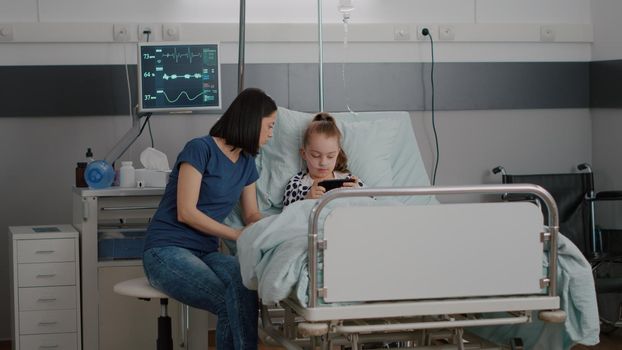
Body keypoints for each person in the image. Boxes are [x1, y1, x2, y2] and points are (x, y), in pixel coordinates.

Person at [142, 88, 277, 350]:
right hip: (166, 249)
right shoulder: (200, 149)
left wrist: (276, 226)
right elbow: (186, 211)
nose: (272, 134)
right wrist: (236, 235)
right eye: (269, 126)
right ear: (251, 120)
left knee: (245, 287)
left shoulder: (247, 162)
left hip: (206, 252)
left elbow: (251, 214)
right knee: (227, 300)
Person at [283, 112, 364, 207]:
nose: (323, 163)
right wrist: (306, 200)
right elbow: (287, 214)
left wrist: (359, 194)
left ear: (337, 154)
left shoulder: (348, 180)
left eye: (330, 156)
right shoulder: (297, 183)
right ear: (304, 154)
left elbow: (374, 203)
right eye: (315, 155)